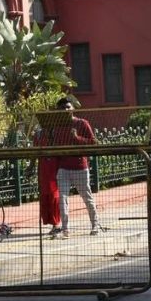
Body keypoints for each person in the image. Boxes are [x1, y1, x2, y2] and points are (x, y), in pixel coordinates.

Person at [51, 97, 101, 238]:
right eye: (62, 108)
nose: (66, 110)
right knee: (63, 199)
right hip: (63, 168)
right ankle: (65, 229)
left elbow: (93, 142)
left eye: (68, 107)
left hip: (80, 167)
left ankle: (95, 225)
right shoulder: (57, 127)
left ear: (73, 108)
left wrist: (77, 138)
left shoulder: (82, 123)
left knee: (87, 197)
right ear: (58, 111)